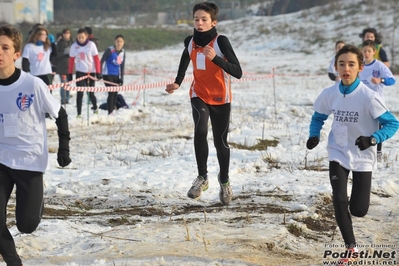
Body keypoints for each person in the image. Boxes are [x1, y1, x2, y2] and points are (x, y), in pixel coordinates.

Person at [306, 44, 399, 264]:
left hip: (363, 155)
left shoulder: (368, 96)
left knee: (358, 209)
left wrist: (373, 139)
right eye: (341, 64)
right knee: (338, 198)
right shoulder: (330, 93)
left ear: (360, 68)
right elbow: (318, 116)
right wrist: (314, 135)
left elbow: (393, 124)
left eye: (351, 64)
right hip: (338, 151)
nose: (346, 68)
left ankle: (352, 217)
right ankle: (351, 248)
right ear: (336, 67)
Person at [0, 25, 71, 266]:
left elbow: (60, 113)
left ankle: (34, 206)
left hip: (29, 161)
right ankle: (13, 262)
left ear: (17, 54)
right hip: (1, 159)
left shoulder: (32, 85)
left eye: (5, 48)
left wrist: (64, 148)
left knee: (26, 225)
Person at [165, 2, 242, 205]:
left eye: (204, 19)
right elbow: (184, 61)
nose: (199, 23)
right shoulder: (190, 42)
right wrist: (177, 82)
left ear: (213, 22)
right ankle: (202, 177)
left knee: (221, 142)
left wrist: (216, 58)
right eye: (196, 19)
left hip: (221, 98)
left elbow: (238, 71)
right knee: (200, 130)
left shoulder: (221, 42)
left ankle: (224, 181)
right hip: (198, 94)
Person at [359, 40, 395, 161]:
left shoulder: (379, 65)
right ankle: (362, 148)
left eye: (369, 51)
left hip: (376, 102)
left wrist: (381, 80)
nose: (366, 53)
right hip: (362, 101)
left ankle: (378, 152)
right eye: (364, 51)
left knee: (377, 127)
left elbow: (392, 80)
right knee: (362, 125)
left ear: (374, 52)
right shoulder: (360, 66)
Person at [68, 28, 102, 118]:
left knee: (91, 93)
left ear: (86, 36)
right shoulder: (74, 46)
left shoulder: (91, 45)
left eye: (82, 37)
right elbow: (71, 61)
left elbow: (96, 59)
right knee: (80, 93)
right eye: (79, 37)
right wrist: (70, 74)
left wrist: (98, 72)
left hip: (90, 72)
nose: (81, 39)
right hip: (80, 72)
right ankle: (79, 113)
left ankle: (95, 108)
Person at [101, 34, 126, 114]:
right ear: (115, 42)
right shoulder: (110, 50)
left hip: (116, 75)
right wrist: (99, 73)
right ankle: (110, 111)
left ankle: (113, 109)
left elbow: (122, 66)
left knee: (115, 93)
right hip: (107, 74)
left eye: (121, 41)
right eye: (117, 41)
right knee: (111, 93)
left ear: (123, 43)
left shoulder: (123, 52)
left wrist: (121, 78)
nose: (119, 43)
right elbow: (101, 61)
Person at [56, 28, 74, 104]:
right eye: (65, 33)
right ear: (62, 34)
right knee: (63, 83)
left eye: (68, 33)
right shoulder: (59, 43)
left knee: (68, 83)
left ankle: (67, 98)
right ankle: (63, 99)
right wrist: (64, 52)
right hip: (62, 66)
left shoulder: (73, 43)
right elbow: (56, 54)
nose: (66, 34)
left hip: (70, 66)